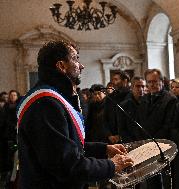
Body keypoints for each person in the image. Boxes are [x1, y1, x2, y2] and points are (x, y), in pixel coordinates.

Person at [17, 40, 133, 189]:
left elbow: (65, 145)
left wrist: (103, 149)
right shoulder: (46, 102)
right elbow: (65, 163)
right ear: (61, 66)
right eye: (76, 58)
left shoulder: (53, 98)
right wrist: (112, 165)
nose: (81, 65)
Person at [136, 69, 177, 189]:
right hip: (146, 146)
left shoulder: (170, 99)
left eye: (154, 81)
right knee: (151, 181)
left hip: (162, 145)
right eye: (149, 82)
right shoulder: (144, 98)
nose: (152, 85)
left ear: (162, 81)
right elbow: (140, 120)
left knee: (164, 182)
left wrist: (153, 141)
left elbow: (169, 124)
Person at [104, 70, 131, 144]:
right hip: (112, 139)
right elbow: (105, 118)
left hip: (129, 139)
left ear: (125, 81)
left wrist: (121, 136)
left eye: (116, 79)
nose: (113, 82)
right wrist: (109, 135)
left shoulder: (132, 96)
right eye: (113, 80)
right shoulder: (110, 98)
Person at [117, 76, 146, 143]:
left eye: (143, 86)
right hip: (132, 142)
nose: (141, 89)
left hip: (148, 142)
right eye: (138, 86)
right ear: (132, 87)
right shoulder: (123, 106)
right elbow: (122, 130)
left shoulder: (150, 103)